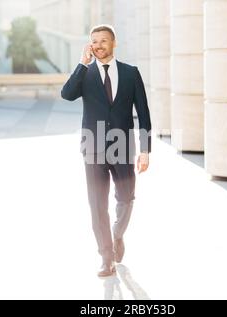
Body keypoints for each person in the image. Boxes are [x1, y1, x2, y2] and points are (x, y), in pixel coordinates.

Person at [61, 24, 152, 277]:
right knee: (97, 204)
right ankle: (106, 256)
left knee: (126, 198)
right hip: (93, 146)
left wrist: (145, 150)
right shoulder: (85, 74)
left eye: (103, 40)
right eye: (94, 41)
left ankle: (116, 236)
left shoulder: (131, 73)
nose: (99, 45)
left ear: (114, 43)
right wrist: (81, 64)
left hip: (123, 146)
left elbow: (143, 113)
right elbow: (67, 95)